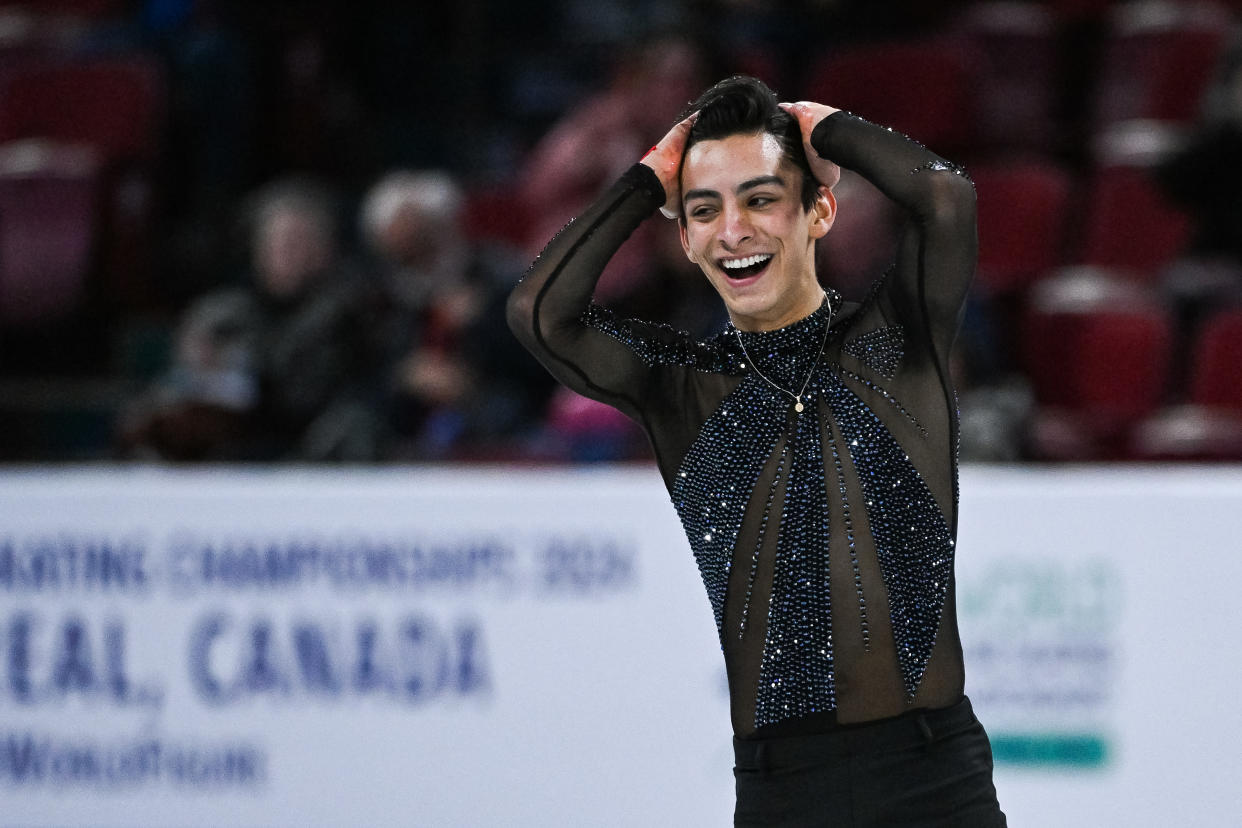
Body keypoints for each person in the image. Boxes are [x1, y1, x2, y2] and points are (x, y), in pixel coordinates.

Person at [508, 75, 1005, 826]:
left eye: (762, 199)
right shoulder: (684, 391)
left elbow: (945, 198)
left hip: (932, 782)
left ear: (819, 211)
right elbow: (542, 315)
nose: (732, 229)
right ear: (685, 240)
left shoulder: (895, 343)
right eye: (705, 210)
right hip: (783, 793)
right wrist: (653, 176)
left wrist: (821, 126)